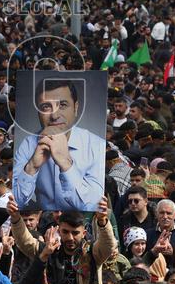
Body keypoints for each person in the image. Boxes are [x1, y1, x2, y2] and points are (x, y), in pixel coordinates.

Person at [13, 77, 106, 211]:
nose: (54, 115)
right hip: (43, 223)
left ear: (76, 108)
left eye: (62, 105)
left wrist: (66, 164)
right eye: (46, 107)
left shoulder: (97, 146)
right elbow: (15, 204)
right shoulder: (28, 144)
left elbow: (94, 205)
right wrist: (32, 166)